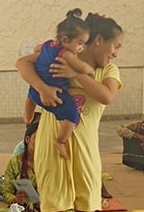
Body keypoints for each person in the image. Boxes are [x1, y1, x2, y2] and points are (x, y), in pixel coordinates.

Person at [15, 11, 124, 212]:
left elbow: (106, 96)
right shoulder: (58, 55)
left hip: (85, 150)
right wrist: (41, 87)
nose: (115, 54)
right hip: (52, 145)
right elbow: (21, 63)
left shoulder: (106, 71)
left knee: (87, 211)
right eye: (115, 47)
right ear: (98, 40)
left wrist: (77, 74)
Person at [0, 122, 79, 212]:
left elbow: (64, 191)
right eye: (38, 138)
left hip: (54, 211)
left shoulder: (55, 161)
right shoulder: (15, 162)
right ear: (27, 139)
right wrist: (16, 199)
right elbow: (7, 192)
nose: (42, 142)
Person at [24, 9, 95, 159]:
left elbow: (37, 48)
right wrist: (90, 70)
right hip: (55, 94)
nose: (81, 48)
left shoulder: (47, 44)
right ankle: (60, 141)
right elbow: (82, 67)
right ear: (65, 40)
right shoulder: (66, 54)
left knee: (31, 93)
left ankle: (27, 116)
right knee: (72, 115)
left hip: (36, 91)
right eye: (80, 43)